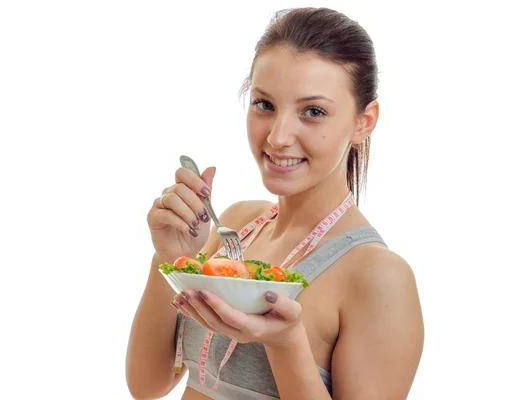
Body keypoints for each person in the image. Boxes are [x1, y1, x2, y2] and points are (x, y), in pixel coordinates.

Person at [126, 7, 424, 400]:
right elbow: (147, 385)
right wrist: (167, 259)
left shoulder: (378, 277)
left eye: (313, 111)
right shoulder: (239, 223)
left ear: (363, 122)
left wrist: (286, 343)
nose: (279, 136)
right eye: (264, 104)